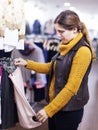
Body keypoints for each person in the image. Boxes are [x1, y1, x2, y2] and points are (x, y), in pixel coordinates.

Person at [14, 10, 95, 130]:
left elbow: (71, 87)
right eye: (57, 30)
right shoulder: (66, 45)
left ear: (74, 29)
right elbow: (51, 67)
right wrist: (27, 63)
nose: (58, 35)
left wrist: (48, 110)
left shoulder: (82, 51)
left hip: (68, 110)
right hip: (57, 105)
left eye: (61, 31)